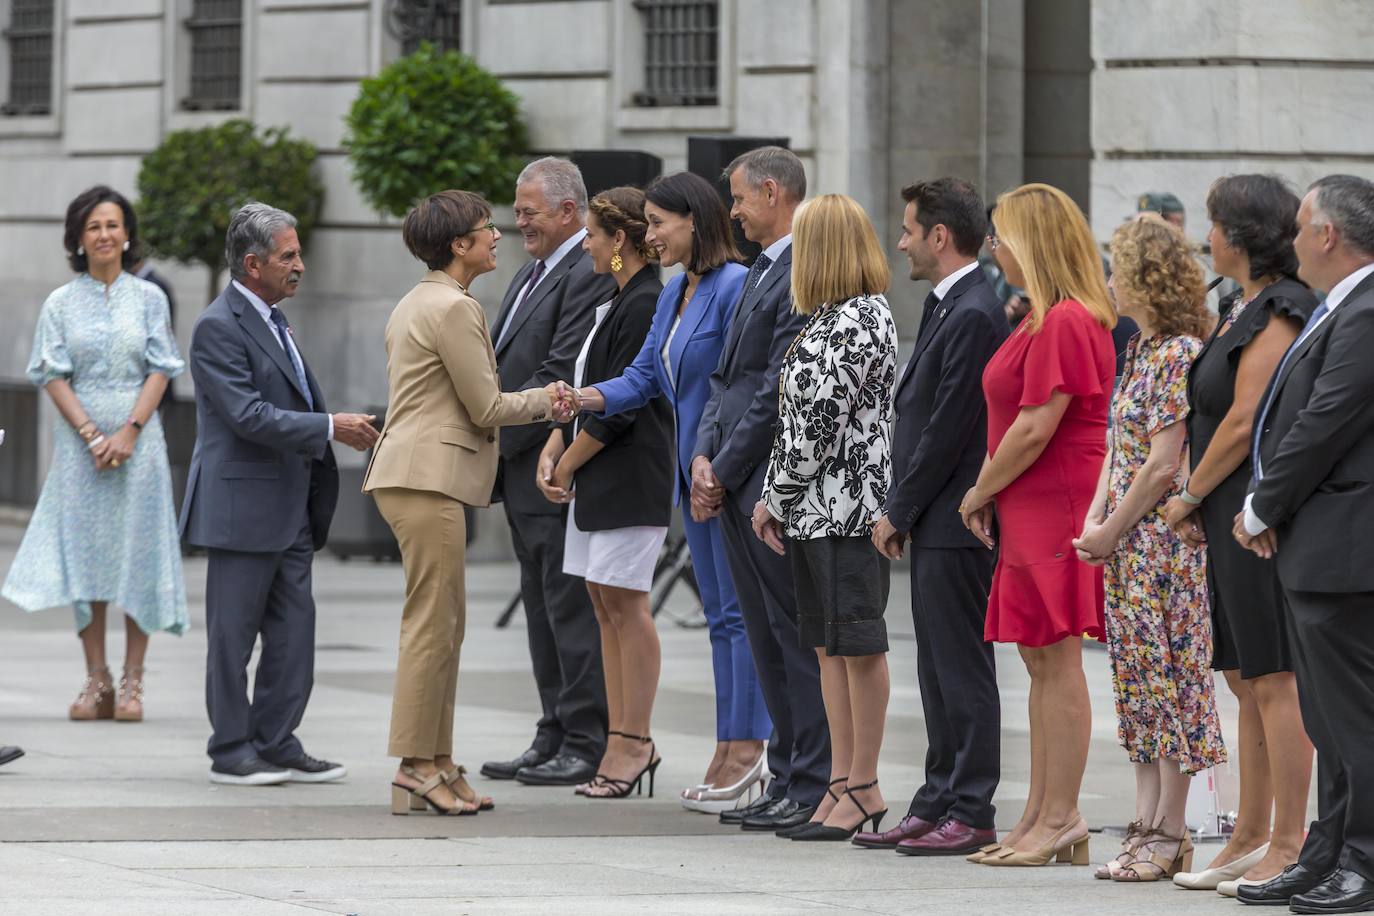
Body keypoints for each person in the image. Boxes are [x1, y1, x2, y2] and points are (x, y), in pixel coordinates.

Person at [560, 171, 771, 804]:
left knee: (740, 616)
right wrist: (579, 398)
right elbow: (644, 375)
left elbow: (745, 387)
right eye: (646, 223)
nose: (649, 235)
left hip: (727, 474)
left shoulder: (736, 285)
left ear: (694, 222)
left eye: (658, 223)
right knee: (721, 617)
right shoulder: (677, 289)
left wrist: (720, 465)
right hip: (691, 478)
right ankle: (727, 744)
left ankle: (749, 748)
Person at [363, 190, 564, 815]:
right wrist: (553, 397)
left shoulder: (424, 299)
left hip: (420, 475)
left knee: (443, 626)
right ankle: (414, 766)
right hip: (428, 477)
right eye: (485, 229)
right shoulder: (451, 308)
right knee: (432, 627)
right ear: (459, 245)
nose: (498, 235)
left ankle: (437, 760)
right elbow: (487, 406)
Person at [181, 201, 379, 786]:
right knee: (233, 637)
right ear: (252, 264)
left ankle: (277, 739)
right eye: (288, 256)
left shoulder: (274, 318)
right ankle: (231, 749)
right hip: (242, 509)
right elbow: (248, 415)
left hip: (290, 509)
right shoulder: (219, 326)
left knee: (294, 636)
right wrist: (329, 427)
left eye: (297, 253)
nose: (299, 265)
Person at [1162, 174, 1317, 895]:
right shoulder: (1238, 306)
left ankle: (1289, 838)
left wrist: (1189, 493)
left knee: (1274, 676)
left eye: (1216, 223)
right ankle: (1249, 833)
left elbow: (1245, 414)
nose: (1207, 236)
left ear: (1246, 233)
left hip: (1255, 515)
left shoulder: (1283, 307)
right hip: (1223, 512)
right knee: (1243, 676)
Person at [960, 183, 1116, 868]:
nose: (995, 248)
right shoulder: (1038, 317)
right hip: (1027, 499)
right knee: (1038, 661)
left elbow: (1033, 428)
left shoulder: (1066, 321)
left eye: (1001, 236)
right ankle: (1041, 812)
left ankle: (1062, 814)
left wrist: (978, 491)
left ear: (1032, 242)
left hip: (1053, 495)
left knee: (1056, 659)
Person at [1232, 175, 1374, 913]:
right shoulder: (1340, 306)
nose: (1290, 241)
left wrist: (1262, 506)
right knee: (1329, 716)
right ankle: (1331, 850)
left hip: (1345, 546)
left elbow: (1325, 421)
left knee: (1353, 717)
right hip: (1320, 543)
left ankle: (1367, 864)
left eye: (1301, 226)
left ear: (1327, 236)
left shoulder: (1368, 307)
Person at [858, 178, 1009, 856]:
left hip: (955, 519)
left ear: (939, 237)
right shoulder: (953, 304)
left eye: (909, 229)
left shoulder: (975, 310)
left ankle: (971, 805)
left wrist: (898, 509)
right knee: (937, 671)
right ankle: (938, 796)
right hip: (939, 519)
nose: (901, 242)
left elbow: (947, 429)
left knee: (961, 667)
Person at [1074, 215, 1225, 882]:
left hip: (1162, 544)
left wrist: (1112, 526)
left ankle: (1170, 828)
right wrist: (1096, 513)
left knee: (1169, 682)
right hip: (1127, 543)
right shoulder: (1139, 348)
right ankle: (1144, 823)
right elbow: (1117, 447)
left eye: (1118, 267)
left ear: (1144, 276)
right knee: (1137, 685)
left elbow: (1164, 462)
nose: (1109, 280)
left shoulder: (1178, 353)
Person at [2, 186, 188, 723]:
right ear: (78, 240)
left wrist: (129, 431)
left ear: (127, 234)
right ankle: (96, 678)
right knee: (86, 560)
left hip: (140, 442)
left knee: (139, 556)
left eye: (112, 225)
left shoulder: (149, 297)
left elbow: (162, 366)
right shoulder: (60, 303)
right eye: (93, 227)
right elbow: (51, 374)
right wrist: (91, 435)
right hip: (80, 448)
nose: (104, 235)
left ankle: (133, 682)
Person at [690, 147, 830, 826]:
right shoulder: (758, 268)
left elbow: (778, 386)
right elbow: (725, 378)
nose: (736, 212)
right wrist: (702, 455)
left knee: (790, 633)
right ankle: (786, 771)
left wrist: (727, 464)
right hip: (732, 475)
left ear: (773, 193)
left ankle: (812, 779)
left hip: (769, 482)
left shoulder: (805, 267)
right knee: (765, 635)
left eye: (742, 199)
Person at [751, 193, 896, 842]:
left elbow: (815, 426)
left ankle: (862, 782)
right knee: (827, 649)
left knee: (856, 647)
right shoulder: (831, 317)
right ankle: (842, 779)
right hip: (815, 511)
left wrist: (772, 496)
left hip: (846, 512)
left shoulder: (858, 318)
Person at [481, 158, 617, 790]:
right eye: (518, 209)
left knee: (568, 607)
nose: (519, 222)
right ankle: (553, 729)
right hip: (518, 466)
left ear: (569, 212)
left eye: (529, 211)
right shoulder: (532, 272)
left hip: (551, 465)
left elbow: (563, 370)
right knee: (539, 605)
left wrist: (504, 418)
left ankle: (587, 738)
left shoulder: (586, 273)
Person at [535, 187, 672, 800]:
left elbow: (624, 404)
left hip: (628, 472)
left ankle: (633, 740)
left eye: (592, 233)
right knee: (603, 603)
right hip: (599, 473)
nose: (585, 243)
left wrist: (566, 463)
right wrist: (556, 442)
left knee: (626, 604)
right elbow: (586, 389)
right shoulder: (618, 297)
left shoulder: (644, 300)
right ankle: (622, 737)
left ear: (620, 240)